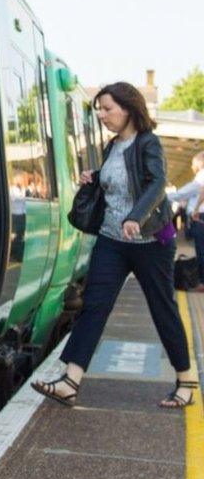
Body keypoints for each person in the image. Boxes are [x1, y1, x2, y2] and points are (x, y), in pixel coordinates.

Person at [32, 82, 197, 408]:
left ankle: (186, 380)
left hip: (149, 242)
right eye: (99, 110)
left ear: (129, 108)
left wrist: (135, 216)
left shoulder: (148, 143)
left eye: (108, 109)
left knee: (162, 308)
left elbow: (156, 183)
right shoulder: (111, 147)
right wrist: (95, 175)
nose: (103, 116)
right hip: (111, 240)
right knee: (94, 305)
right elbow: (120, 179)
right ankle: (70, 380)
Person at [168, 151, 204, 289]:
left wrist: (161, 197)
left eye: (194, 164)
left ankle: (202, 283)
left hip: (200, 217)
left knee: (202, 250)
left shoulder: (202, 176)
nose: (192, 167)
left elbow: (184, 193)